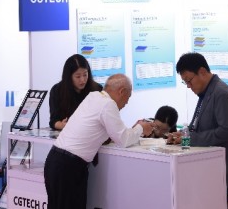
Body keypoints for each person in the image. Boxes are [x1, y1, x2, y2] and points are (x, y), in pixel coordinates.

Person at [44, 73, 153, 209]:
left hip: (55, 161)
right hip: (69, 167)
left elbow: (104, 131)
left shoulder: (93, 97)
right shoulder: (108, 104)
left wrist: (133, 130)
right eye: (128, 97)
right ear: (122, 91)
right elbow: (123, 139)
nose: (127, 103)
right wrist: (141, 128)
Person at [169, 53, 228, 209]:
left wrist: (190, 139)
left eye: (189, 80)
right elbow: (199, 125)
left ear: (202, 71)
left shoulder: (221, 93)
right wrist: (184, 134)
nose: (188, 86)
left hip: (221, 167)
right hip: (209, 166)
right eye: (185, 82)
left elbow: (227, 131)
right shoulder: (207, 92)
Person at [48, 54, 102, 130]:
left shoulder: (97, 89)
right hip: (68, 134)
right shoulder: (57, 90)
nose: (82, 80)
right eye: (78, 76)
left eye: (85, 75)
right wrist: (62, 125)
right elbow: (54, 121)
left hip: (91, 132)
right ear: (69, 77)